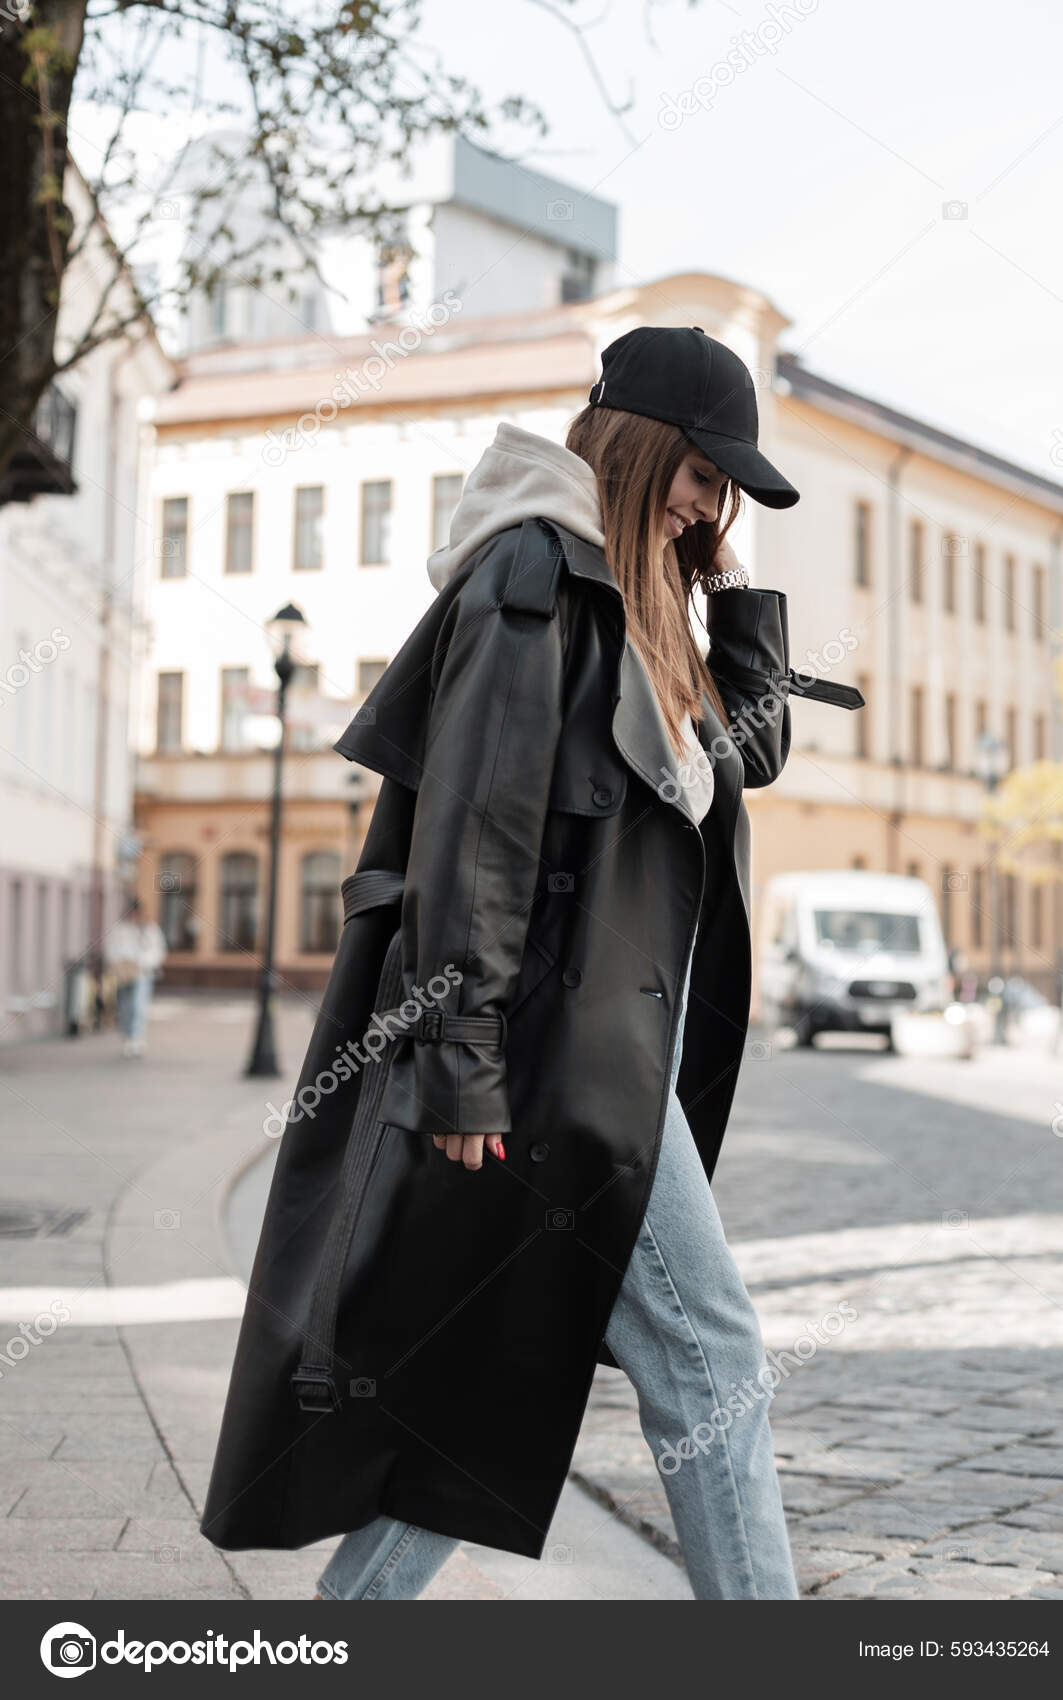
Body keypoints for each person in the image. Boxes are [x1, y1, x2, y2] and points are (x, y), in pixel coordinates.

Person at [198, 325, 864, 1601]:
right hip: (555, 1053)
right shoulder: (534, 577)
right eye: (696, 470)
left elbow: (744, 758)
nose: (705, 500)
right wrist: (461, 1059)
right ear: (635, 443)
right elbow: (478, 824)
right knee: (711, 1355)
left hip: (613, 1049)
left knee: (500, 1382)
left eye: (721, 487)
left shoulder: (637, 595)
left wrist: (730, 599)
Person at [105, 896, 166, 1058]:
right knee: (124, 1006)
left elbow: (157, 951)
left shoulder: (149, 929)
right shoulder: (120, 929)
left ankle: (136, 1038)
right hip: (124, 974)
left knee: (139, 1006)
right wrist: (118, 964)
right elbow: (112, 949)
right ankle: (127, 1035)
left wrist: (143, 964)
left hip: (142, 973)